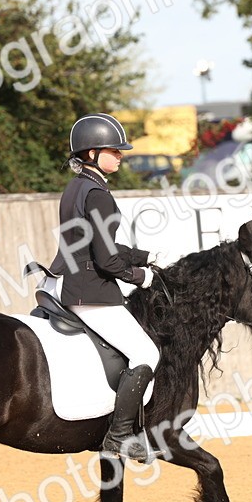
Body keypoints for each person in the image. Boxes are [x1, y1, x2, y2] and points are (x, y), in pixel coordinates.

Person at [47, 113, 172, 462]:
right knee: (147, 354)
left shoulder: (76, 188)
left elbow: (104, 245)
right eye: (113, 150)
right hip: (94, 293)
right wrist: (140, 277)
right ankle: (119, 436)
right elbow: (107, 261)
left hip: (73, 285)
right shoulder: (99, 194)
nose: (120, 155)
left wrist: (148, 255)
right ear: (90, 154)